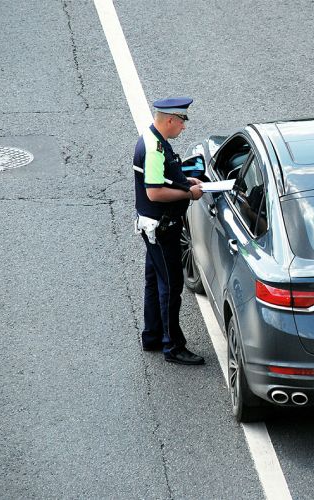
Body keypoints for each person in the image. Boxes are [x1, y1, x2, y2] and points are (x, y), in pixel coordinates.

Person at [133, 97, 205, 365]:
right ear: (171, 119)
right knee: (171, 286)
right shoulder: (154, 149)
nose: (184, 127)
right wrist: (190, 192)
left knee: (154, 281)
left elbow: (161, 178)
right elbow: (155, 192)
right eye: (183, 121)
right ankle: (172, 346)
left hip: (153, 227)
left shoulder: (153, 140)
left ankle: (152, 336)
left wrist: (184, 180)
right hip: (162, 230)